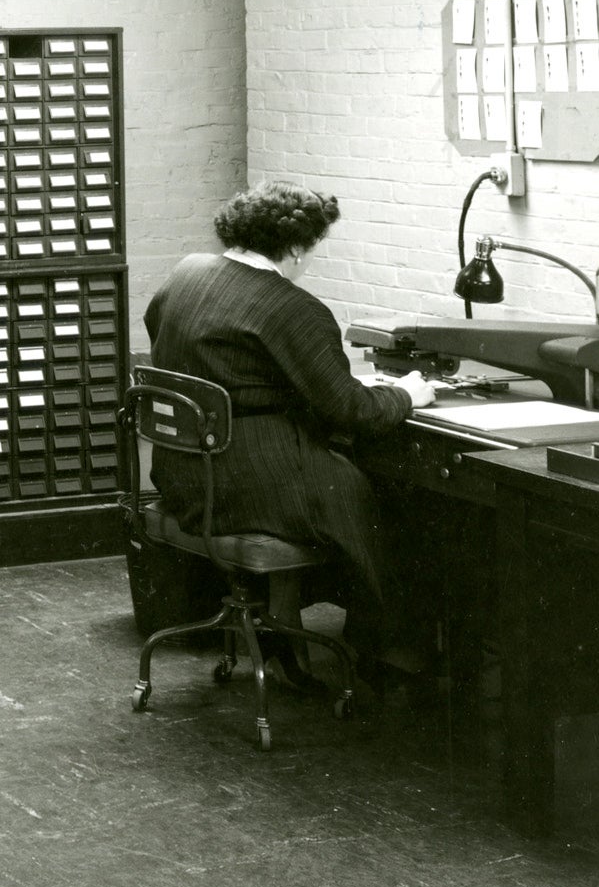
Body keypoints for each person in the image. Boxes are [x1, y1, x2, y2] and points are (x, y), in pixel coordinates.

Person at [143, 179, 435, 673]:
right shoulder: (293, 308)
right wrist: (405, 392)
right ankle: (390, 652)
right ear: (298, 247)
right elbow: (352, 411)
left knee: (346, 483)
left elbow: (170, 339)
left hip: (185, 475)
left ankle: (293, 627)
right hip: (250, 481)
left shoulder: (186, 273)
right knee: (386, 507)